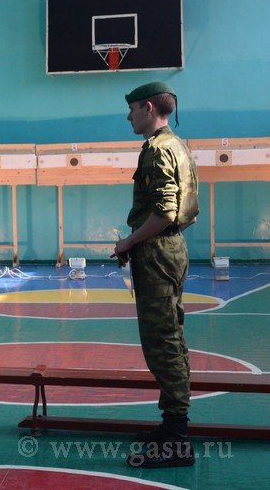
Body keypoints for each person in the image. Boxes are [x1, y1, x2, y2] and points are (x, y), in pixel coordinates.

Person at [112, 82, 199, 469]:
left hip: (156, 252)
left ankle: (178, 439)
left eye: (132, 109)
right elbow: (187, 212)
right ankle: (171, 426)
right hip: (172, 249)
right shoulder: (179, 146)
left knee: (162, 343)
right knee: (171, 337)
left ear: (148, 108)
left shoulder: (157, 150)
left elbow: (164, 211)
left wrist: (130, 242)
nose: (128, 116)